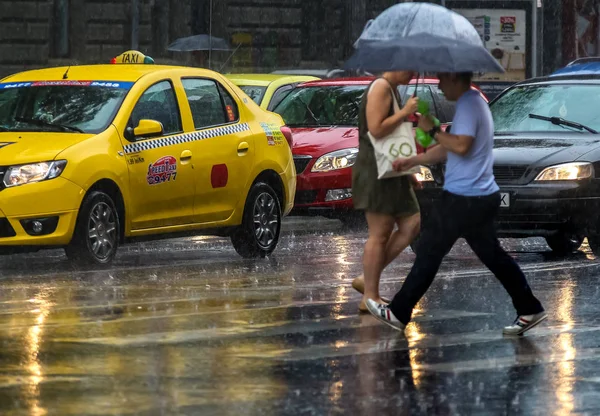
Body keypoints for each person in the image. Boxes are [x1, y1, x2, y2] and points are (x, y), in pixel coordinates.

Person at [365, 72, 547, 336]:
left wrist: (433, 131)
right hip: (477, 196)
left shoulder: (470, 105)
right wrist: (414, 160)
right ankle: (529, 307)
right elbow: (450, 147)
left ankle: (399, 311)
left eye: (441, 80)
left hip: (465, 197)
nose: (438, 86)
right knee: (494, 257)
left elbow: (460, 146)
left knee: (428, 251)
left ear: (454, 78)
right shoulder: (470, 104)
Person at [351, 72, 422, 313]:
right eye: (411, 68)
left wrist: (408, 172)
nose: (414, 74)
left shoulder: (391, 88)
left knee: (412, 223)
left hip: (392, 169)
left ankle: (367, 279)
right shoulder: (381, 87)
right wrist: (405, 112)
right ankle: (370, 295)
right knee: (380, 233)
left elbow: (391, 136)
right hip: (376, 171)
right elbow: (376, 129)